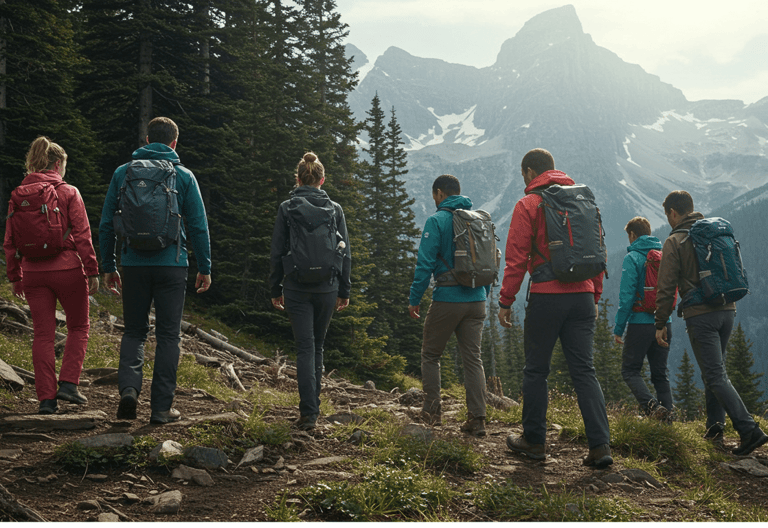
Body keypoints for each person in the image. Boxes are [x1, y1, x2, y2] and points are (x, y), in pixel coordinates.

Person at [498, 148, 612, 468]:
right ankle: (600, 446)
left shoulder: (529, 204)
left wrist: (506, 300)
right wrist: (595, 295)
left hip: (547, 296)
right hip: (583, 297)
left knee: (536, 370)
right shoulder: (583, 200)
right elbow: (597, 251)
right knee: (584, 371)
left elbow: (517, 258)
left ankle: (534, 441)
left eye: (524, 175)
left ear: (530, 172)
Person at [99, 117, 212, 425]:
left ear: (147, 139)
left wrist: (108, 266)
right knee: (168, 336)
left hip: (133, 264)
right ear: (174, 143)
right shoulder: (183, 175)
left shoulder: (123, 173)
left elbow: (107, 223)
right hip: (172, 265)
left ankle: (129, 393)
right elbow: (198, 226)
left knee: (134, 332)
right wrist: (205, 266)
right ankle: (161, 409)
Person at [655, 191, 767, 455]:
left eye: (667, 215)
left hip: (701, 314)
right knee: (715, 372)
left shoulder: (676, 240)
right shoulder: (712, 233)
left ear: (672, 212)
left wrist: (660, 321)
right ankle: (715, 428)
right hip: (728, 309)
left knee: (714, 374)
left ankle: (749, 430)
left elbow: (666, 285)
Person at [4, 137, 100, 414]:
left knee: (43, 336)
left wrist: (15, 276)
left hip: (32, 272)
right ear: (58, 164)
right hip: (68, 269)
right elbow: (82, 235)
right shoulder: (69, 191)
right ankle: (69, 383)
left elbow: (10, 241)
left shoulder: (19, 195)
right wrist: (92, 269)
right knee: (79, 327)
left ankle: (46, 400)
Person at [269, 152, 351, 431]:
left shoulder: (286, 207)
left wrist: (275, 287)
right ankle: (314, 407)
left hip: (295, 286)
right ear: (322, 179)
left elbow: (277, 251)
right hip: (327, 286)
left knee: (304, 347)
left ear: (298, 178)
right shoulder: (335, 209)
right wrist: (344, 289)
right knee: (318, 346)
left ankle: (308, 414)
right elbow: (345, 253)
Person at [408, 174, 489, 437]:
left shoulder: (437, 220)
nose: (434, 200)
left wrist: (415, 298)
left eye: (434, 196)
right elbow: (487, 262)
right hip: (477, 299)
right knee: (473, 359)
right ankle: (477, 419)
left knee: (431, 355)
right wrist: (483, 293)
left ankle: (432, 415)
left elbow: (425, 264)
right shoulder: (478, 219)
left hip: (447, 299)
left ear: (440, 193)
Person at [613, 216, 673, 419]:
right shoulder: (664, 254)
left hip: (640, 323)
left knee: (630, 370)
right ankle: (668, 420)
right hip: (664, 323)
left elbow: (627, 296)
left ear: (632, 234)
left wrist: (619, 328)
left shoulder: (632, 258)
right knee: (660, 374)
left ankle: (653, 409)